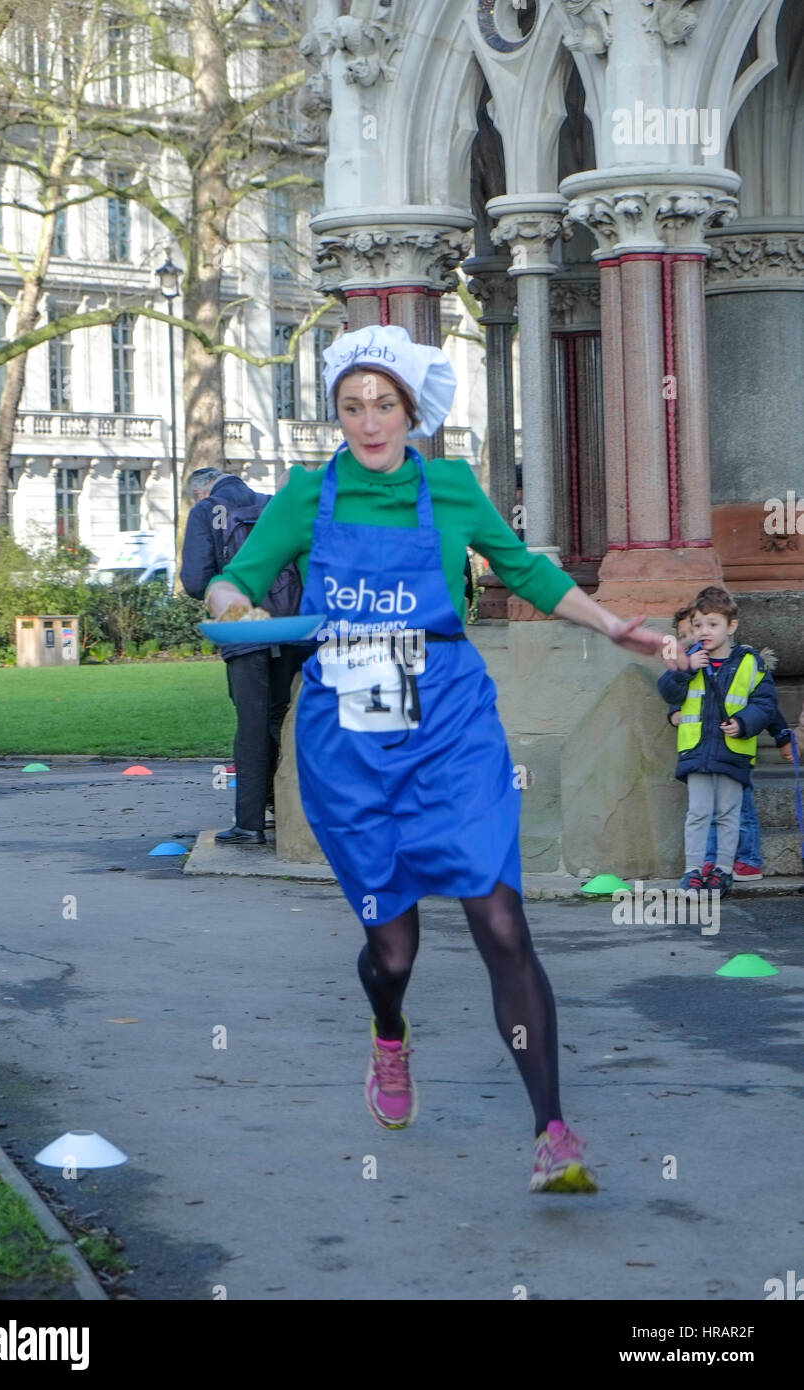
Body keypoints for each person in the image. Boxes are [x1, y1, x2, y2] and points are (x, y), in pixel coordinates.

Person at [205, 324, 665, 1194]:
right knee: (396, 950)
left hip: (450, 727)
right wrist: (230, 598)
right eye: (352, 407)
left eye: (384, 405)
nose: (369, 423)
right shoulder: (306, 496)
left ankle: (553, 1132)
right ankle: (389, 1033)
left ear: (412, 412)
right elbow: (240, 579)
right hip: (349, 743)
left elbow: (525, 571)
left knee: (499, 921)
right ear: (335, 414)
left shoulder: (450, 488)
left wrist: (612, 624)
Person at [180, 466, 303, 845]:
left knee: (251, 722)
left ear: (201, 492)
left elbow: (196, 581)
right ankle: (286, 811)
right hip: (289, 624)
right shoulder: (272, 504)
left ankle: (249, 823)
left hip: (243, 625)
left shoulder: (206, 512)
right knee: (283, 719)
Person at [658, 586, 779, 898]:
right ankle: (693, 871)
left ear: (731, 626)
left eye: (712, 624)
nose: (704, 631)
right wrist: (685, 670)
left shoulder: (751, 662)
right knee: (698, 813)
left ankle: (722, 871)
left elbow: (765, 705)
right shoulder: (689, 659)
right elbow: (668, 692)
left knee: (728, 814)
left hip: (733, 752)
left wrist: (743, 723)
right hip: (696, 751)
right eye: (698, 625)